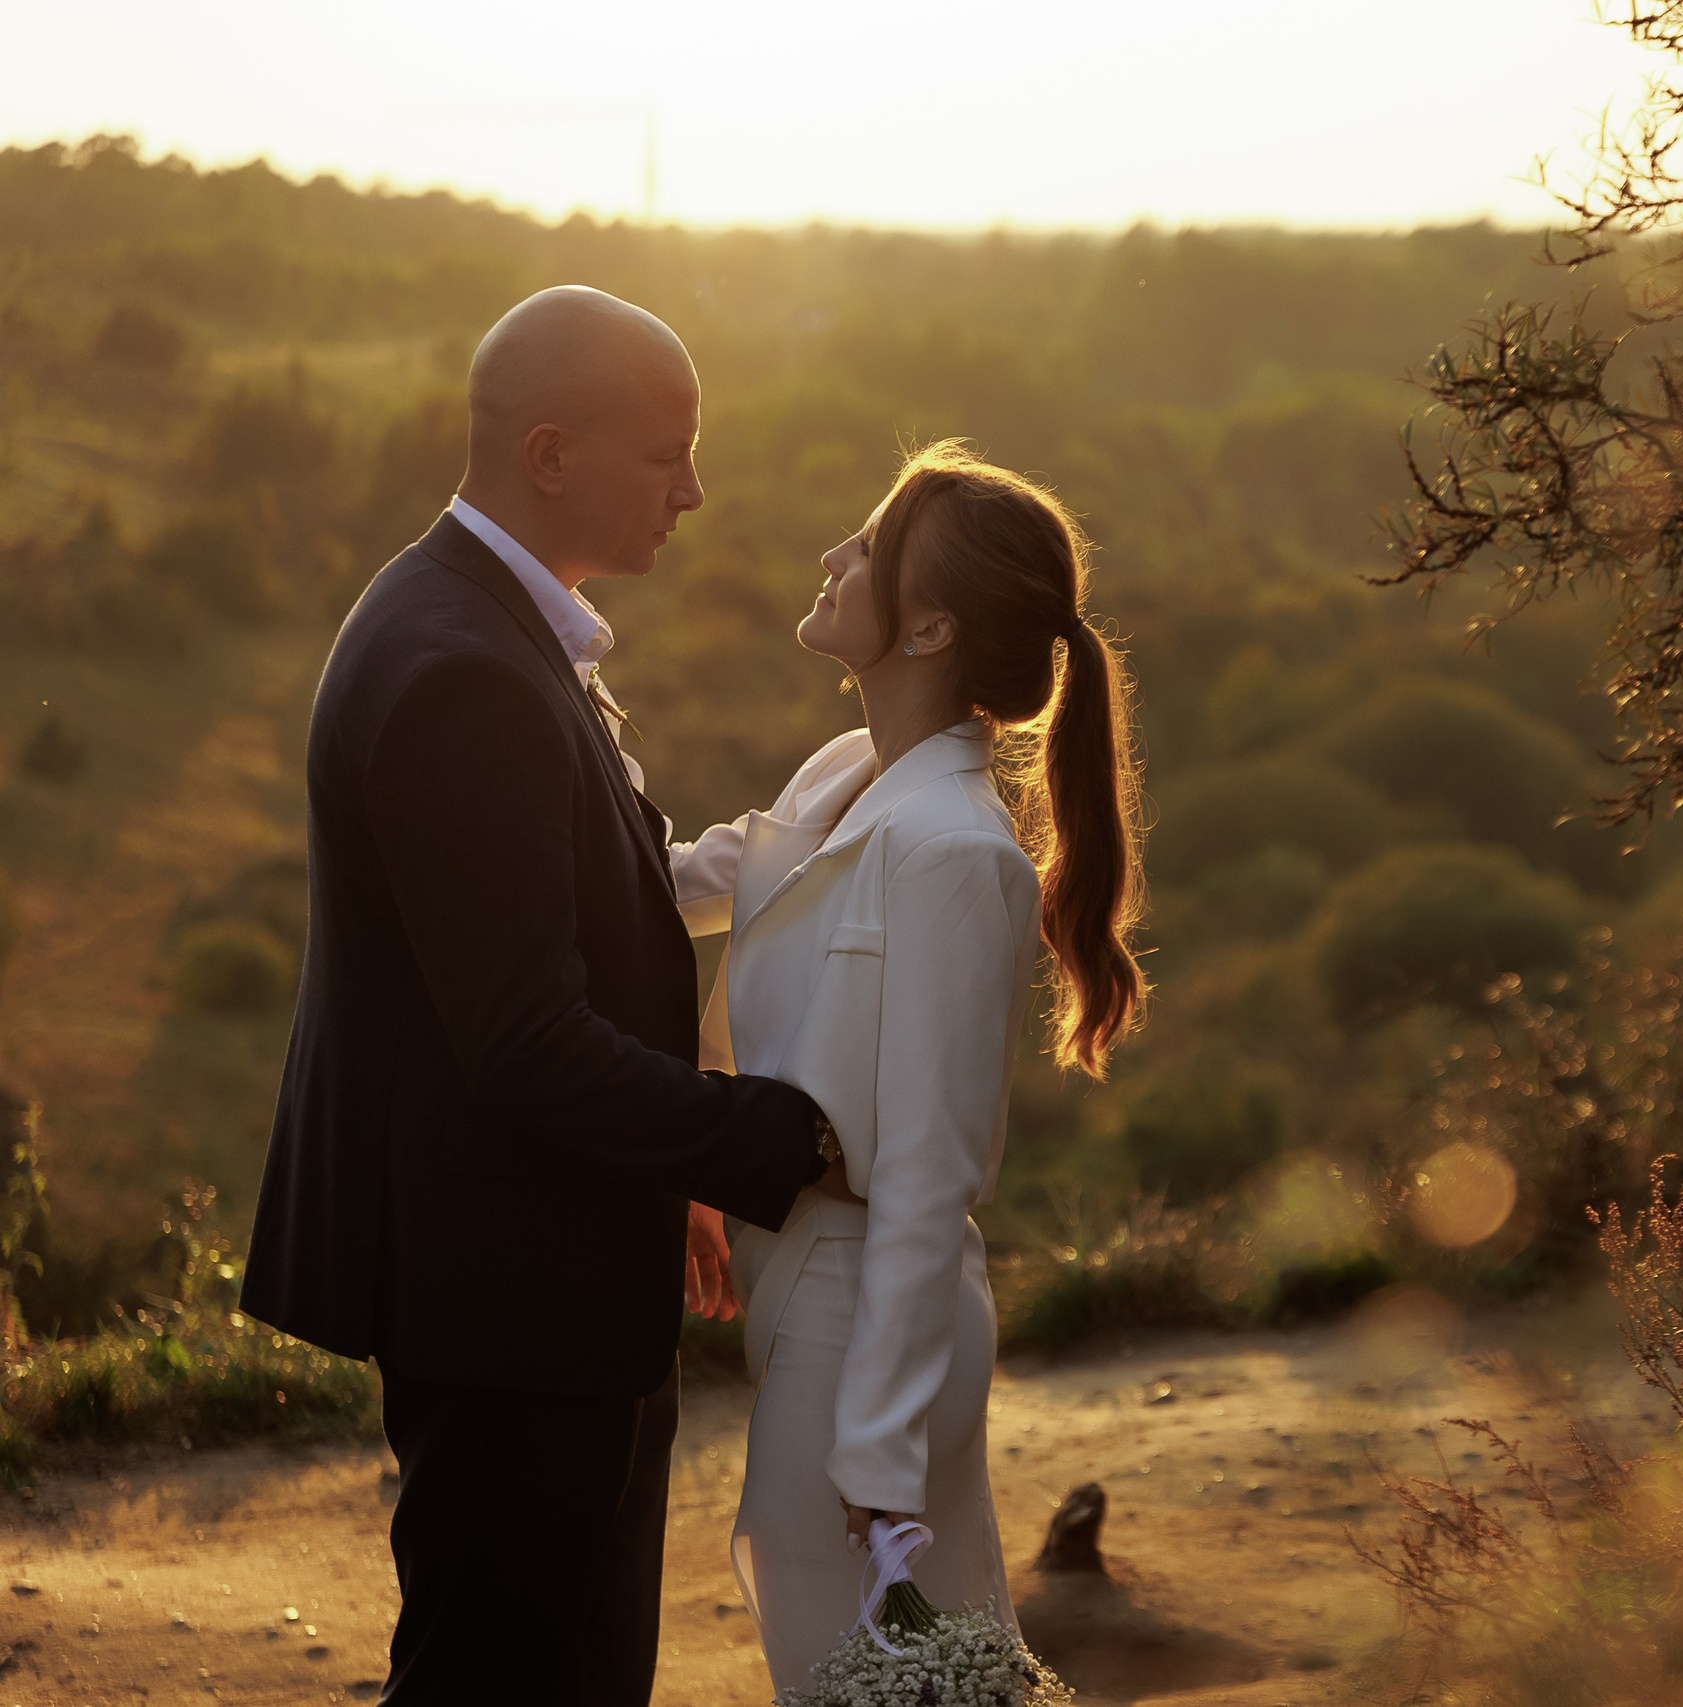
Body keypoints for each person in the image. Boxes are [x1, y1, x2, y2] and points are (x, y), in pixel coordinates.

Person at [240, 287, 839, 1706]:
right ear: (552, 452)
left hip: (544, 1253)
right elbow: (522, 1035)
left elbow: (572, 910)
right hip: (502, 1282)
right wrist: (770, 1137)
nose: (696, 491)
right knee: (502, 1675)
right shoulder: (461, 669)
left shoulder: (483, 624)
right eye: (668, 452)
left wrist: (669, 1167)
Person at [668, 440, 1145, 1694]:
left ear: (928, 627)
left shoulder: (955, 852)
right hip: (805, 1287)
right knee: (881, 1681)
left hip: (870, 1309)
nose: (834, 556)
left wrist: (879, 1465)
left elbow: (928, 1179)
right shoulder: (842, 777)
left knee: (866, 1680)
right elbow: (673, 887)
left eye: (869, 547)